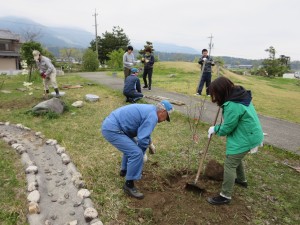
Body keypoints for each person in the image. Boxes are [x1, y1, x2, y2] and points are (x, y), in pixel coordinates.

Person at [206, 76, 264, 205]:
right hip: (249, 133)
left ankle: (225, 196)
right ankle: (242, 181)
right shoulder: (238, 96)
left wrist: (214, 129)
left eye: (215, 94)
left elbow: (227, 128)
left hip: (246, 137)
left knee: (230, 163)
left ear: (221, 91)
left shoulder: (233, 105)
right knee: (235, 157)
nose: (214, 97)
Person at [101, 100, 174, 199]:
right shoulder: (153, 116)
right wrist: (142, 154)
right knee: (136, 153)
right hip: (113, 129)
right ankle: (129, 185)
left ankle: (124, 170)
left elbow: (144, 131)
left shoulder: (151, 110)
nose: (165, 120)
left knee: (132, 147)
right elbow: (142, 139)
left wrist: (150, 143)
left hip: (114, 125)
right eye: (167, 117)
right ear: (163, 112)